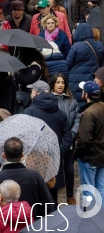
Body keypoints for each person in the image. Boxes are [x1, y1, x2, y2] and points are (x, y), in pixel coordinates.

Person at [24, 80, 73, 204]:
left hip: (34, 164)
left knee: (35, 202)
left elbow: (25, 138)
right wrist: (57, 153)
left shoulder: (29, 112)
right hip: (54, 166)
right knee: (52, 201)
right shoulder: (60, 113)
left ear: (35, 93)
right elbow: (68, 137)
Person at [0, 137, 54, 218]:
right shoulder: (35, 177)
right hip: (32, 226)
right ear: (22, 155)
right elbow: (48, 206)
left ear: (4, 155)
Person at [49, 73, 80, 204]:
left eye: (62, 82)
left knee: (69, 169)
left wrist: (72, 134)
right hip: (54, 140)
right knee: (54, 169)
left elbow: (77, 119)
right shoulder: (50, 100)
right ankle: (53, 195)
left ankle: (69, 195)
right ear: (53, 84)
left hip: (69, 140)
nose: (60, 85)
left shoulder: (72, 101)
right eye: (58, 82)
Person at [75, 80, 104, 206]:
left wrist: (77, 152)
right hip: (102, 156)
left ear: (86, 95)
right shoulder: (102, 107)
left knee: (88, 192)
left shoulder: (89, 113)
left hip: (90, 157)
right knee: (101, 189)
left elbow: (84, 139)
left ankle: (88, 219)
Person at [67, 23, 104, 104]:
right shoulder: (99, 45)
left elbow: (68, 64)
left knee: (78, 102)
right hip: (94, 78)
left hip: (76, 79)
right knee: (93, 101)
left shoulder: (76, 46)